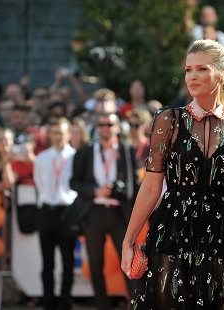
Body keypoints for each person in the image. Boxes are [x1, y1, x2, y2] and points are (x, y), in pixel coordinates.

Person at [121, 39, 224, 309]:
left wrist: (221, 208)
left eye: (201, 69)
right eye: (188, 70)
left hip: (218, 234)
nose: (191, 77)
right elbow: (150, 187)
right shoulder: (169, 120)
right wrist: (129, 238)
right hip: (171, 229)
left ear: (222, 73)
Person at [70, 112, 138, 310]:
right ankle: (102, 305)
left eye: (109, 124)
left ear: (117, 127)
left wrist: (121, 189)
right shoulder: (85, 151)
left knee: (128, 262)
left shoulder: (125, 149)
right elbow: (74, 182)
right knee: (95, 264)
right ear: (96, 127)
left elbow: (134, 182)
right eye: (101, 124)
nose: (105, 128)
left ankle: (133, 303)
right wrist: (94, 191)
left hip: (118, 213)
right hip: (94, 213)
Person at [33, 117, 77, 310]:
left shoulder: (76, 156)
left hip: (67, 212)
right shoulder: (41, 158)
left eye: (61, 132)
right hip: (47, 212)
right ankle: (48, 300)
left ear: (68, 134)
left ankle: (65, 300)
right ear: (49, 135)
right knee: (47, 261)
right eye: (54, 132)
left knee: (68, 261)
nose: (57, 136)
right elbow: (39, 183)